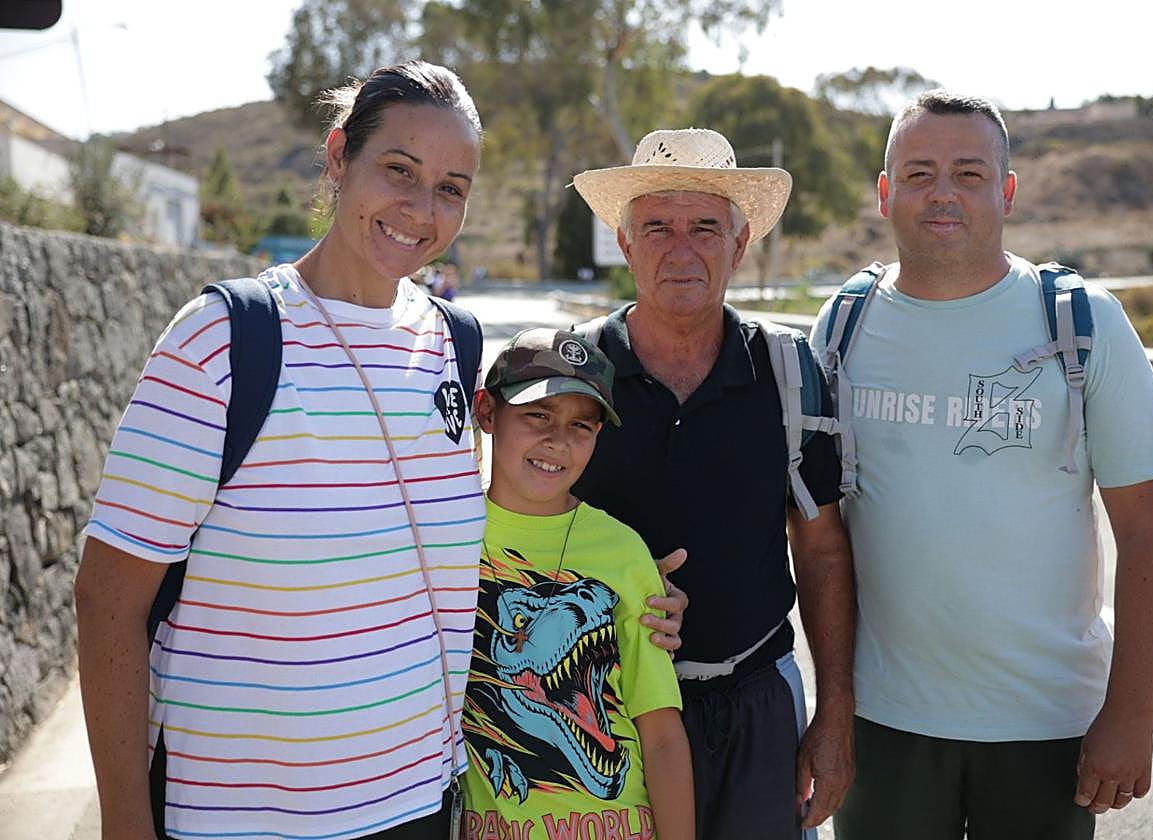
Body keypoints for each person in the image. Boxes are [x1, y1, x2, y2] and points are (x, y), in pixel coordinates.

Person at [73, 61, 684, 840]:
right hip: (240, 819)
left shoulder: (454, 348)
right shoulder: (225, 340)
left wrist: (632, 605)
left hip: (422, 811)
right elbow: (108, 599)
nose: (421, 209)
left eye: (452, 187)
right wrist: (126, 821)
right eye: (398, 170)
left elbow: (441, 564)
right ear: (338, 158)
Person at [809, 90, 1153, 840]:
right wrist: (831, 710)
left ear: (1006, 191)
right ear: (885, 195)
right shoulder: (843, 325)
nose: (943, 192)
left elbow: (1148, 532)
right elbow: (814, 527)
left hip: (1046, 724)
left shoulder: (1084, 324)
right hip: (885, 724)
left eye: (969, 173)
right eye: (918, 173)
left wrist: (1132, 712)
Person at [570, 128, 856, 839]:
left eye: (705, 226)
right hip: (600, 711)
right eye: (658, 226)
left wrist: (836, 716)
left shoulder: (791, 372)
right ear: (626, 242)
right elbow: (521, 536)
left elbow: (820, 551)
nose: (682, 246)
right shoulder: (574, 372)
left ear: (740, 240)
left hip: (757, 707)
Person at [463, 328, 693, 839]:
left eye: (581, 426)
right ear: (486, 412)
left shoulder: (622, 551)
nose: (558, 441)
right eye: (537, 415)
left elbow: (660, 734)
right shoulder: (447, 537)